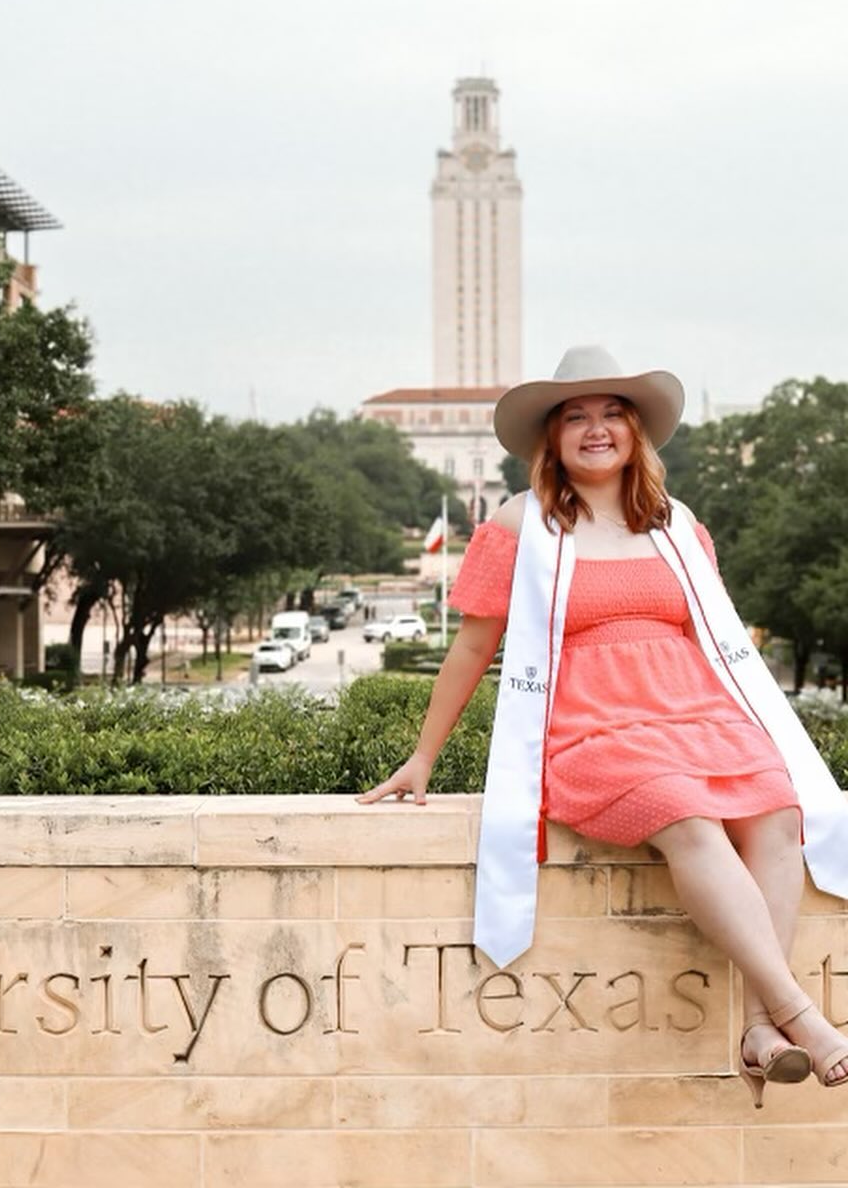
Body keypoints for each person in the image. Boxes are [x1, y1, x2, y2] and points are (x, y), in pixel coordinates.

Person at [357, 345, 848, 1107]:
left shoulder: (678, 526)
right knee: (686, 817)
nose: (596, 429)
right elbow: (474, 645)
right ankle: (803, 1017)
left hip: (695, 710)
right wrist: (423, 757)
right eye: (575, 416)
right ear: (550, 438)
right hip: (594, 725)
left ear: (636, 431)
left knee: (779, 815)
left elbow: (711, 634)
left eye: (612, 413)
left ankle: (759, 1028)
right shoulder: (521, 526)